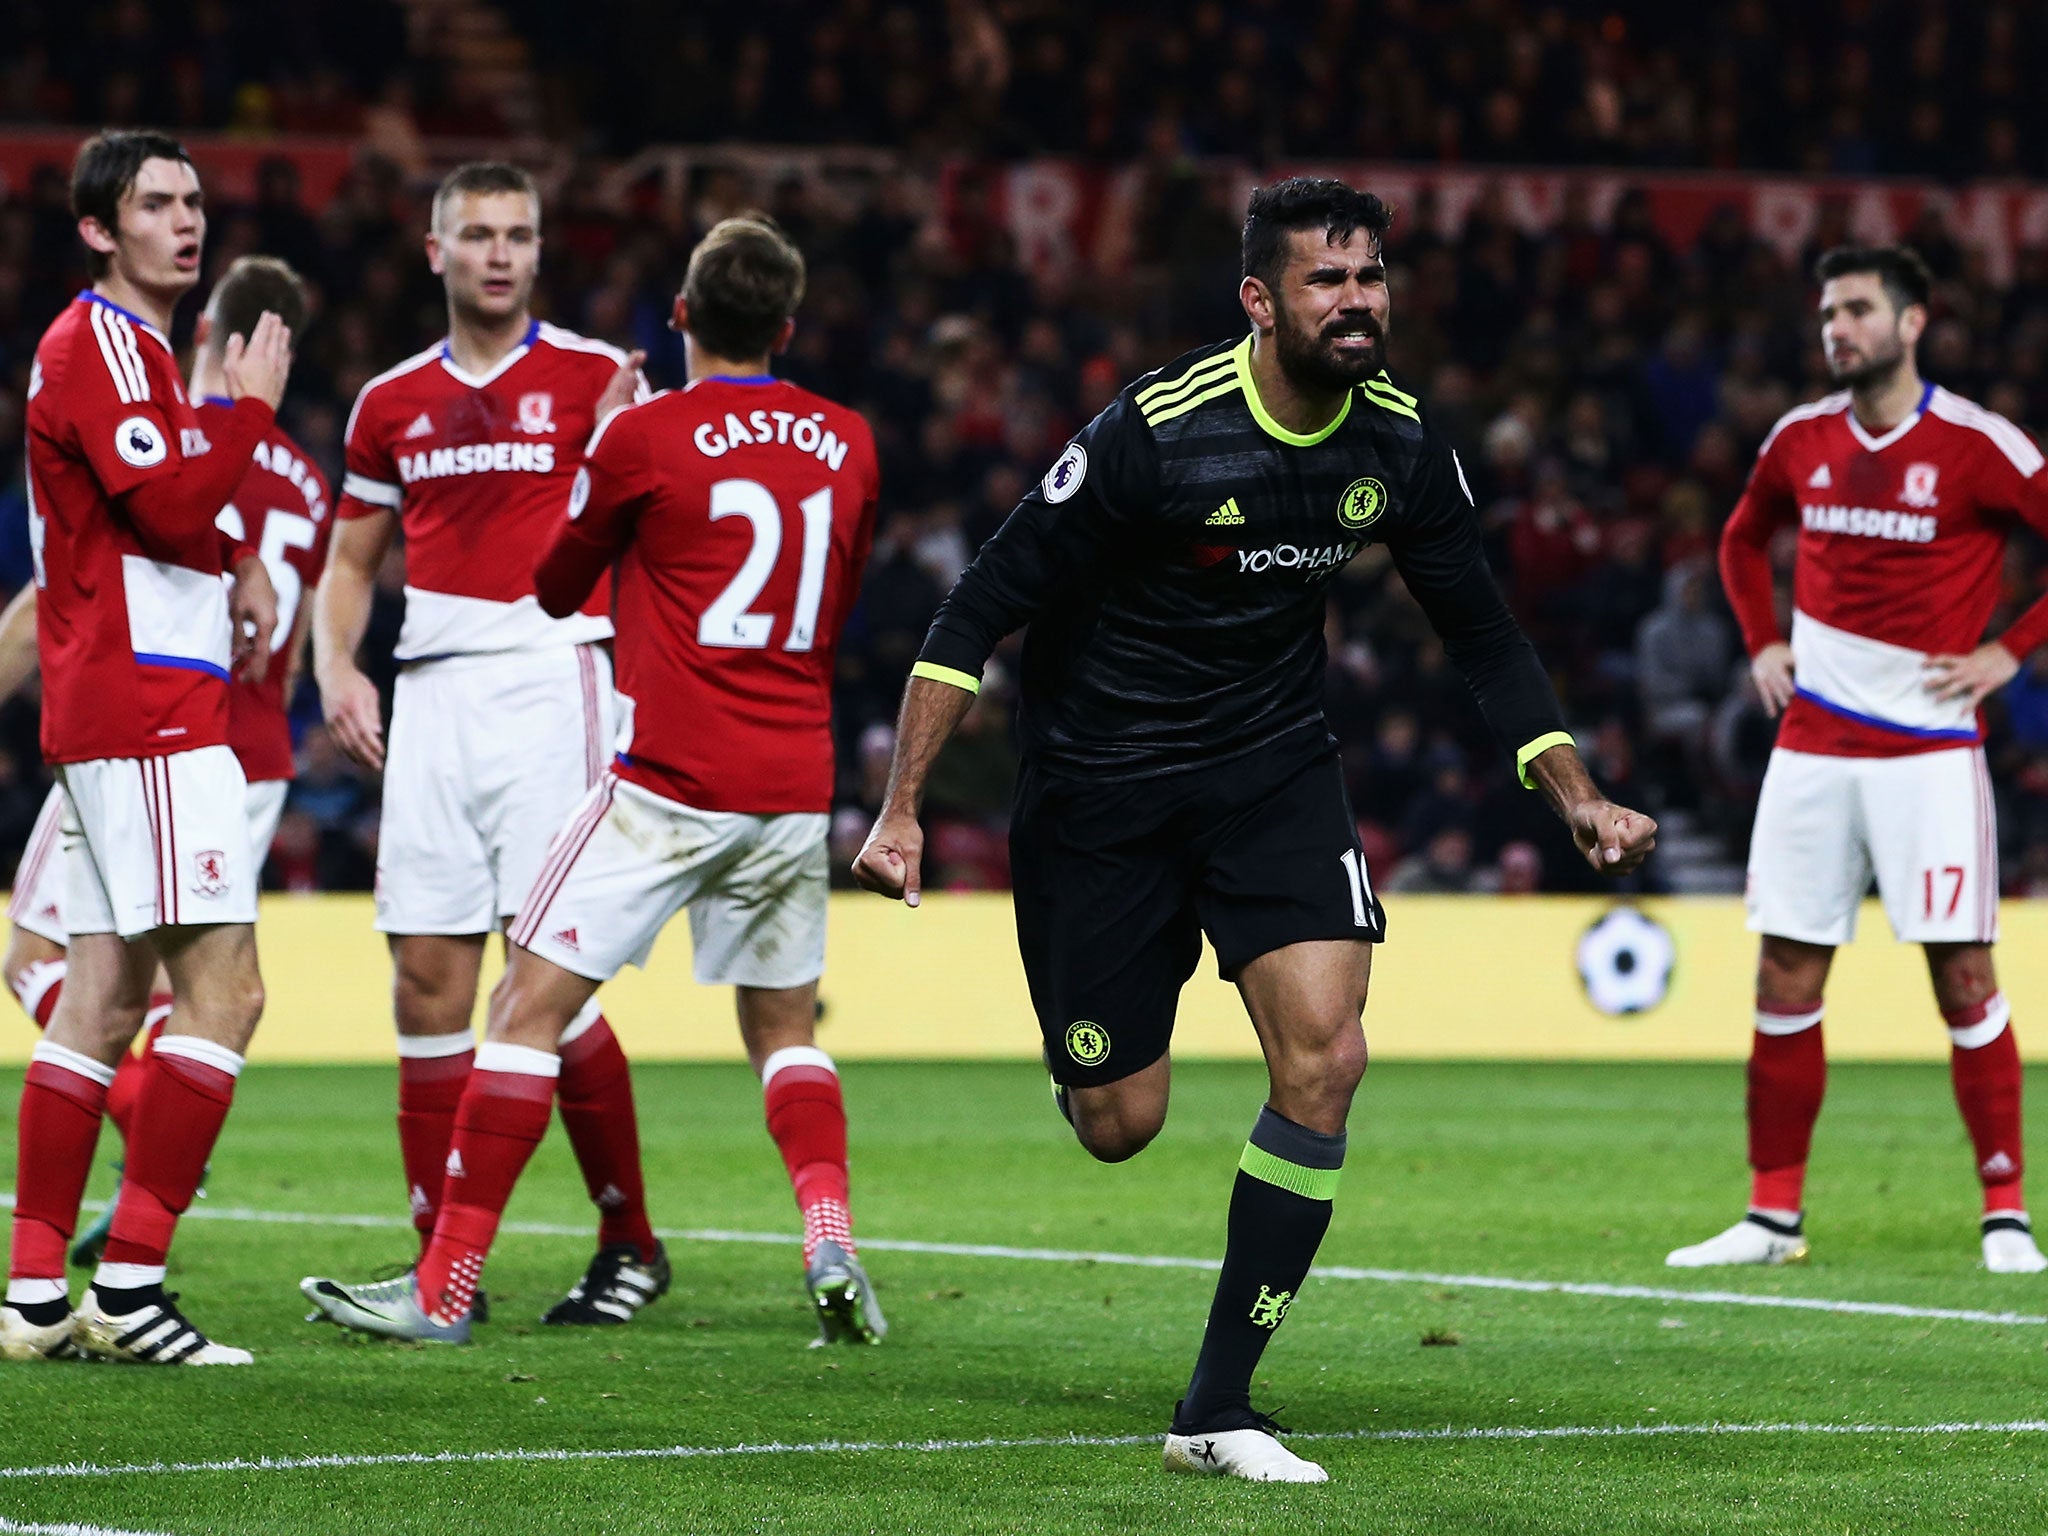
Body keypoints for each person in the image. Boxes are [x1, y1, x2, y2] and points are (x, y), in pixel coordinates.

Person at [853, 178, 1655, 1483]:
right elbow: (976, 606)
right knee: (1120, 1121)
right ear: (1260, 299)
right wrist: (900, 813)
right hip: (1100, 789)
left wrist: (1579, 796)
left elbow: (1486, 635)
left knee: (1328, 1058)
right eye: (1328, 280)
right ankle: (1093, 1046)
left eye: (1372, 276)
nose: (1358, 301)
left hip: (1270, 771)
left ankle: (1215, 1407)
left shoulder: (1397, 443)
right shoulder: (1158, 434)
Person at [301, 214, 885, 1346]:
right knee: (783, 1029)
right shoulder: (849, 440)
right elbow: (840, 599)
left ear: (678, 318)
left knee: (522, 1006)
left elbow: (559, 588)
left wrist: (608, 457)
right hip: (792, 784)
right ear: (787, 324)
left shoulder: (643, 435)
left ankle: (445, 1288)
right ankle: (827, 1232)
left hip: (668, 780)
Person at [312, 162, 664, 1325]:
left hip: (550, 679)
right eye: (477, 234)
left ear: (538, 249)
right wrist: (335, 667)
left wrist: (627, 444)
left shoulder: (592, 377)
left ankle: (629, 1241)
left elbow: (655, 531)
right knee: (425, 978)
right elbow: (352, 561)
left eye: (519, 232)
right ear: (435, 252)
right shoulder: (388, 401)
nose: (500, 252)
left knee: (543, 978)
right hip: (430, 696)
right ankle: (433, 1270)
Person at [1675, 244, 2048, 1275]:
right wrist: (1759, 639)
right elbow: (1741, 540)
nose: (1833, 329)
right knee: (1785, 970)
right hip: (1810, 748)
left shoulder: (1978, 445)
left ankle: (2005, 1212)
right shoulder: (1798, 438)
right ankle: (1769, 1218)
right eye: (1825, 313)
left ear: (1911, 320)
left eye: (1853, 310)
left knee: (1961, 975)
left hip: (1928, 752)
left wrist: (2004, 653)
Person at [2, 130, 290, 1365]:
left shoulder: (144, 358)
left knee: (106, 1001)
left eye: (192, 202)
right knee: (227, 993)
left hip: (134, 703)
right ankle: (128, 1288)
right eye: (155, 205)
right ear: (96, 228)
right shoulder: (96, 347)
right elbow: (168, 503)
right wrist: (248, 416)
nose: (186, 222)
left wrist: (229, 565)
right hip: (150, 714)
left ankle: (28, 1300)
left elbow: (158, 530)